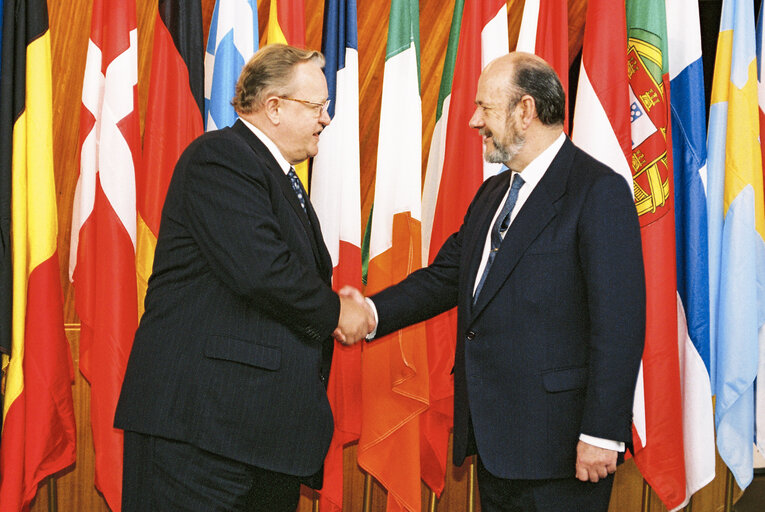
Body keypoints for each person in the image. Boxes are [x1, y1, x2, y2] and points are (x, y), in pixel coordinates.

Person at [345, 52, 646, 511]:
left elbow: (619, 323)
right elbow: (447, 277)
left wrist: (602, 432)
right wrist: (371, 312)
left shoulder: (595, 189)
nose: (472, 121)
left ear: (525, 111)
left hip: (562, 449)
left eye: (485, 107)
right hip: (494, 442)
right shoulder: (493, 193)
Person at [114, 44, 372, 512]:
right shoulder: (222, 159)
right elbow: (264, 272)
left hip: (254, 437)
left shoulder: (278, 177)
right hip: (201, 437)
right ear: (273, 107)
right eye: (317, 107)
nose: (327, 119)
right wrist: (338, 311)